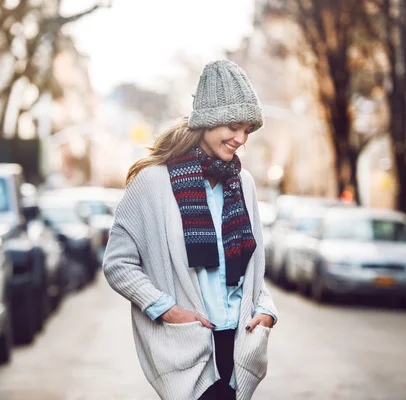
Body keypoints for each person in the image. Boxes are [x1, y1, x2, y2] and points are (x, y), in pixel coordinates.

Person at [102, 60, 278, 400]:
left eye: (247, 131)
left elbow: (252, 271)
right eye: (233, 126)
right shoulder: (153, 182)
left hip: (239, 343)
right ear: (207, 121)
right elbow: (118, 264)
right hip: (187, 342)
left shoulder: (244, 184)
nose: (241, 139)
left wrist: (266, 311)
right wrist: (166, 309)